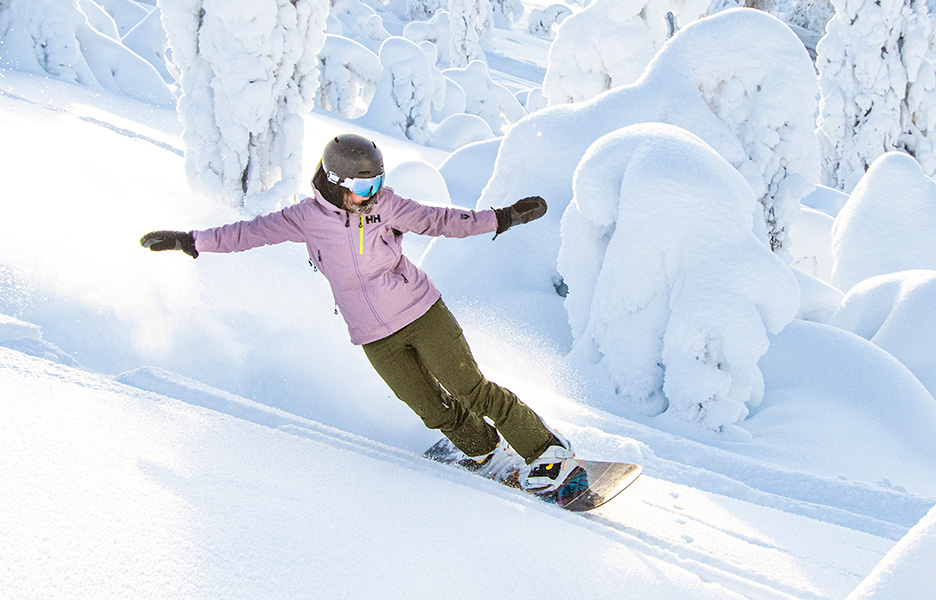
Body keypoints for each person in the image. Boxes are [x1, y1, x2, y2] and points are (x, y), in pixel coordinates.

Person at [141, 133, 579, 494]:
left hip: (423, 312)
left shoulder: (385, 205)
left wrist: (502, 218)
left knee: (472, 390)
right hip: (372, 333)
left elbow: (442, 220)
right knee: (426, 405)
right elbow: (247, 233)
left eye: (377, 184)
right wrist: (191, 241)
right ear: (335, 181)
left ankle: (546, 452)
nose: (372, 195)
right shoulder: (305, 218)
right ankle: (482, 448)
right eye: (363, 187)